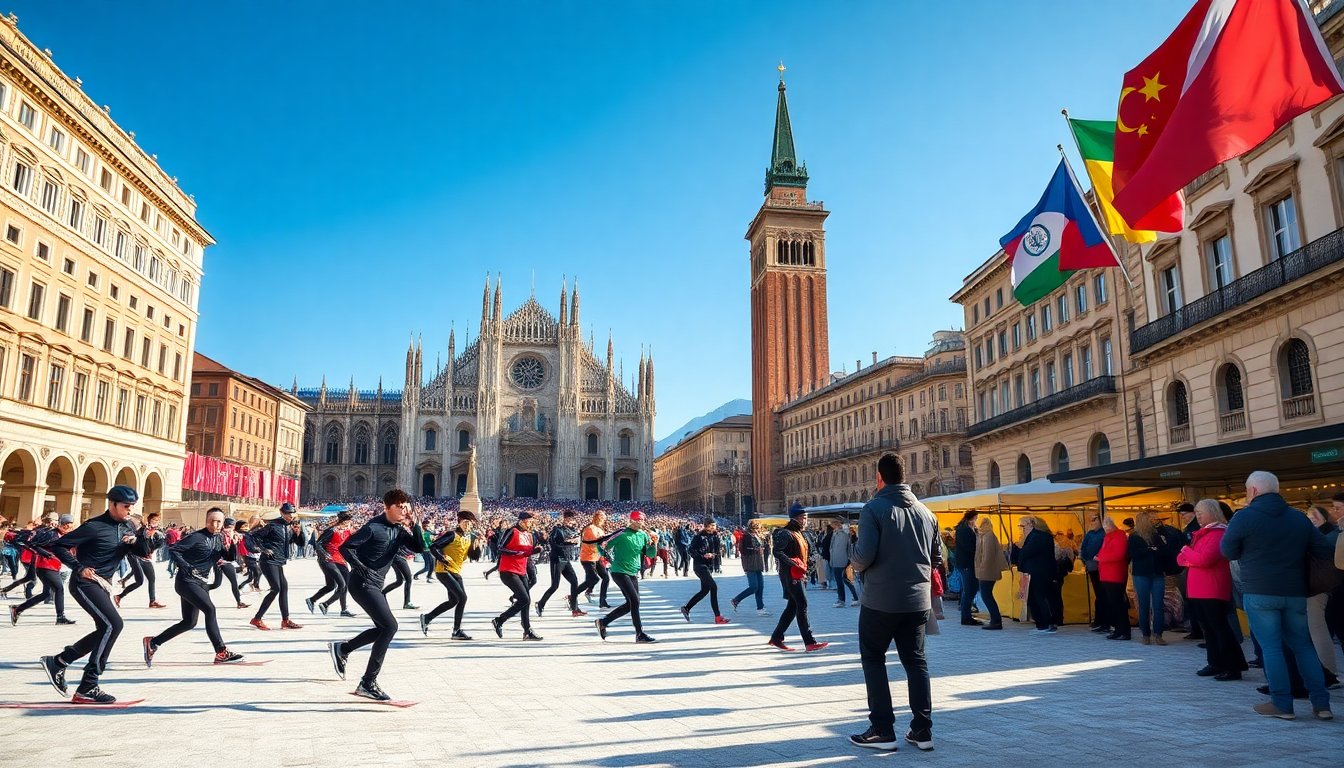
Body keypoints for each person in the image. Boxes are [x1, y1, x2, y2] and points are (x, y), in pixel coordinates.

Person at [1222, 471, 1334, 720]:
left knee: (1271, 648)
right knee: (1304, 646)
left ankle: (1282, 704)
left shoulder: (1244, 517)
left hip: (1259, 590)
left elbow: (1228, 551)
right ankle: (1322, 704)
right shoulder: (1298, 517)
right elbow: (1323, 549)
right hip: (1294, 591)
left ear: (1253, 491)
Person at [849, 453, 938, 752]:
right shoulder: (927, 513)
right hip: (917, 601)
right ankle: (922, 730)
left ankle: (882, 729)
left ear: (879, 478)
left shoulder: (873, 509)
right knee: (916, 662)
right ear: (904, 477)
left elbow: (864, 556)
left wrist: (853, 561)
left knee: (874, 659)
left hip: (881, 599)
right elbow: (937, 557)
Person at [38, 486, 147, 704]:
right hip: (85, 583)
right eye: (126, 506)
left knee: (105, 629)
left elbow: (143, 553)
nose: (130, 510)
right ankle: (88, 685)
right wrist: (78, 567)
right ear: (112, 504)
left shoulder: (128, 526)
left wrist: (138, 539)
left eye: (132, 506)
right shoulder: (94, 526)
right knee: (113, 625)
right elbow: (59, 546)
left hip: (103, 584)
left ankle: (59, 662)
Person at [329, 488, 426, 702]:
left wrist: (416, 525)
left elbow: (419, 548)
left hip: (375, 585)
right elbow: (346, 548)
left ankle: (343, 648)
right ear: (387, 507)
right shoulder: (373, 527)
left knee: (383, 628)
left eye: (406, 507)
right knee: (390, 627)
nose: (404, 511)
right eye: (400, 507)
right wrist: (360, 567)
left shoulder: (399, 530)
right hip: (362, 584)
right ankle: (368, 682)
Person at [142, 509, 244, 666]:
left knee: (189, 622)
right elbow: (174, 550)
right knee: (210, 610)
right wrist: (186, 566)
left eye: (219, 521)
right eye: (212, 520)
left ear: (223, 523)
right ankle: (221, 651)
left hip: (200, 583)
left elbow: (229, 558)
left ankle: (153, 642)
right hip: (186, 581)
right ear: (206, 521)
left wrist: (233, 544)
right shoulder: (197, 537)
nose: (215, 524)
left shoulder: (219, 538)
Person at [1177, 499, 1246, 681]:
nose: (1198, 516)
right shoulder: (1203, 534)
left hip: (1212, 589)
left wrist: (1187, 552)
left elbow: (1204, 559)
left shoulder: (1218, 533)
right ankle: (1215, 662)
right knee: (1209, 629)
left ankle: (1232, 666)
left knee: (1219, 628)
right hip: (1199, 589)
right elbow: (1180, 560)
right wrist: (1191, 557)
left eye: (1201, 513)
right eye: (1197, 513)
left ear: (1212, 512)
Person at [770, 504, 828, 653]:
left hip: (800, 573)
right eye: (804, 517)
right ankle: (809, 642)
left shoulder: (801, 533)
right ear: (796, 518)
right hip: (791, 575)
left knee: (793, 606)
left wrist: (810, 563)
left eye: (806, 517)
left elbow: (809, 550)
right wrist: (793, 562)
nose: (805, 520)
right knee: (802, 604)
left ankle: (776, 637)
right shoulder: (786, 533)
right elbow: (777, 551)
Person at [594, 510, 657, 643]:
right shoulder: (622, 533)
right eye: (638, 520)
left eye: (642, 520)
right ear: (631, 521)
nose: (641, 522)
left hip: (633, 572)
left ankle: (603, 622)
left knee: (631, 603)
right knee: (635, 601)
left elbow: (650, 554)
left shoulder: (643, 535)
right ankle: (639, 634)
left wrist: (654, 544)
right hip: (619, 571)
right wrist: (607, 557)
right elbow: (601, 544)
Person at [9, 514, 76, 626]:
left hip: (52, 566)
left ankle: (17, 609)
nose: (69, 527)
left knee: (46, 593)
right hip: (45, 566)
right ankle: (60, 617)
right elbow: (33, 545)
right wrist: (45, 553)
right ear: (61, 524)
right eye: (67, 524)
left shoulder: (62, 536)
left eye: (70, 525)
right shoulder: (52, 534)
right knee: (59, 588)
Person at [420, 510, 478, 639]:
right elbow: (433, 546)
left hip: (456, 571)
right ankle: (456, 631)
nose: (468, 525)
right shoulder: (452, 534)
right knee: (462, 598)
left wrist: (476, 547)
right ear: (459, 522)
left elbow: (473, 557)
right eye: (465, 522)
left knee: (454, 600)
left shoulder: (468, 538)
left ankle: (427, 618)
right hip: (444, 571)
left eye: (470, 523)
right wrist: (441, 558)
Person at [247, 503, 303, 631]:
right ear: (282, 513)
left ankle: (285, 620)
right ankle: (257, 618)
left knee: (283, 588)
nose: (291, 516)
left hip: (279, 561)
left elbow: (301, 543)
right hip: (268, 561)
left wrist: (298, 533)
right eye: (288, 513)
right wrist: (263, 549)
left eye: (292, 513)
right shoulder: (272, 525)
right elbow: (253, 536)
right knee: (276, 588)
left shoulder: (289, 527)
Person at [490, 512, 543, 641]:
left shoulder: (529, 535)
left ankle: (527, 631)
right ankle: (499, 620)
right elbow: (500, 548)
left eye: (532, 521)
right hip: (508, 570)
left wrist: (532, 572)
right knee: (524, 599)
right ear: (522, 521)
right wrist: (519, 553)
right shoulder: (512, 531)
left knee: (527, 601)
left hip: (521, 571)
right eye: (529, 521)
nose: (531, 524)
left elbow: (527, 555)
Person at [1127, 512, 1167, 645]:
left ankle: (1158, 633)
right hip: (1141, 573)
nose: (1152, 522)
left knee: (1158, 605)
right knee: (1144, 604)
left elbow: (1163, 551)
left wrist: (1155, 548)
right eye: (1149, 520)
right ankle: (1145, 633)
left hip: (1157, 573)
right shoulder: (1134, 537)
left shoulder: (1156, 535)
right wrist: (1149, 549)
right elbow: (1133, 554)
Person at [536, 509, 585, 618]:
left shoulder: (572, 530)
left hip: (566, 559)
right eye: (568, 519)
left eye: (572, 519)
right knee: (555, 586)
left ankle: (575, 608)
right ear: (564, 518)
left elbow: (574, 542)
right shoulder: (557, 529)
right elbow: (552, 544)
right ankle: (540, 604)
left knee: (574, 582)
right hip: (557, 559)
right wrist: (567, 542)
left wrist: (574, 542)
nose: (570, 521)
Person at [680, 517, 730, 625]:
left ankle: (687, 608)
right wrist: (703, 555)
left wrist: (713, 555)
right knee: (713, 587)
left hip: (709, 565)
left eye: (714, 525)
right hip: (700, 565)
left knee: (705, 590)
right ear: (706, 526)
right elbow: (691, 550)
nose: (714, 527)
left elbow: (718, 551)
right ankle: (717, 617)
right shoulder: (699, 537)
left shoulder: (715, 536)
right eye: (711, 525)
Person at [307, 511, 355, 617]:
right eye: (349, 521)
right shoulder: (332, 531)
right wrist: (324, 554)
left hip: (341, 561)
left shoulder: (348, 532)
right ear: (344, 521)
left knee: (334, 586)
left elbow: (353, 545)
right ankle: (325, 604)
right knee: (341, 585)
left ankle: (342, 609)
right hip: (329, 560)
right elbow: (318, 543)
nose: (350, 523)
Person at [116, 511, 167, 609]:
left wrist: (152, 548)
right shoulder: (143, 529)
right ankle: (119, 596)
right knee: (139, 581)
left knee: (152, 579)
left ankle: (152, 601)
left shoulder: (156, 532)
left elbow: (157, 544)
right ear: (149, 520)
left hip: (145, 557)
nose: (155, 521)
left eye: (157, 520)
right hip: (135, 555)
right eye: (154, 519)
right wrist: (143, 530)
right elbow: (137, 535)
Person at [1096, 517, 1131, 640]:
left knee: (1117, 603)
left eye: (1106, 526)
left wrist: (1101, 558)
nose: (1105, 528)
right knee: (1113, 603)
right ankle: (1118, 629)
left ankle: (1123, 630)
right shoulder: (1109, 537)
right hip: (1107, 574)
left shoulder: (1119, 536)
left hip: (1115, 575)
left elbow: (1118, 554)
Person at [730, 519, 769, 615]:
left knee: (760, 587)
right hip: (750, 563)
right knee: (753, 587)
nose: (758, 528)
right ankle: (736, 600)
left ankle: (760, 608)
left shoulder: (757, 535)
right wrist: (754, 550)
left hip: (758, 562)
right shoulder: (746, 536)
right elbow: (743, 550)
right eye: (756, 526)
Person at [973, 516, 1004, 630]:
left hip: (987, 571)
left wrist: (982, 569)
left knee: (986, 595)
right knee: (986, 595)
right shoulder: (984, 535)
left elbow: (987, 555)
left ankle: (996, 621)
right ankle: (995, 620)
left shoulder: (988, 536)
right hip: (986, 570)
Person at [210, 518, 248, 610]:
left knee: (218, 583)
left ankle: (199, 590)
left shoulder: (228, 534)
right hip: (223, 561)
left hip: (222, 562)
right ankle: (239, 602)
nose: (232, 529)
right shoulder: (222, 535)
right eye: (232, 526)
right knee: (231, 582)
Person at [578, 510, 613, 609]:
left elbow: (601, 543)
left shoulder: (599, 529)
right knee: (593, 579)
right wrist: (604, 539)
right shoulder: (590, 528)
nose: (604, 521)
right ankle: (573, 594)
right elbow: (593, 542)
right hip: (588, 557)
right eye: (602, 519)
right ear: (597, 518)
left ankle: (602, 601)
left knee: (605, 578)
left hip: (596, 557)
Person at [1079, 513, 1106, 632]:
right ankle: (1099, 620)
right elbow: (1083, 548)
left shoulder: (1104, 533)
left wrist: (1096, 557)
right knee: (1099, 594)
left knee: (1103, 595)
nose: (1092, 522)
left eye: (1094, 520)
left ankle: (1103, 621)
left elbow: (1103, 549)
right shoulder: (1090, 534)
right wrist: (1085, 559)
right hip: (1092, 567)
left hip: (1102, 567)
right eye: (1091, 520)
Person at [954, 510, 980, 626]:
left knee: (969, 590)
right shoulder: (964, 530)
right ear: (972, 518)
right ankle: (966, 617)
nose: (976, 520)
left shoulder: (964, 528)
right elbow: (969, 547)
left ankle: (967, 616)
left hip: (965, 563)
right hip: (967, 564)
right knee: (970, 590)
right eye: (976, 518)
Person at [379, 542, 418, 611]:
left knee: (399, 581)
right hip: (398, 557)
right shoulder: (399, 536)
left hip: (395, 557)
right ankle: (407, 603)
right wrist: (405, 554)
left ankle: (383, 593)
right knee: (408, 579)